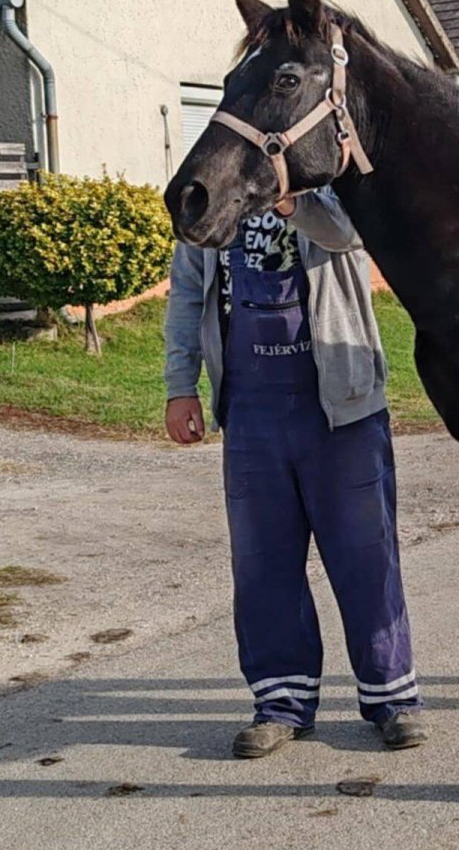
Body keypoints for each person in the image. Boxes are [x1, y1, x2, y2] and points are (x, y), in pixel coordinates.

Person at [163, 187, 426, 759]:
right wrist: (181, 387)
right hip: (251, 407)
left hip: (343, 404)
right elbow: (186, 293)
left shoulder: (330, 181)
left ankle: (391, 698)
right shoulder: (212, 193)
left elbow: (345, 233)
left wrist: (288, 200)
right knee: (263, 562)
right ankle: (281, 702)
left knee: (366, 554)